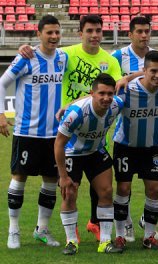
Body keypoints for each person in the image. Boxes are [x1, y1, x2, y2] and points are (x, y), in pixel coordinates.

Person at [19, 15, 122, 242]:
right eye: (90, 31)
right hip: (69, 134)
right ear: (80, 33)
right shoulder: (67, 55)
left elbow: (114, 89)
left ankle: (95, 224)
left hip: (95, 135)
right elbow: (45, 52)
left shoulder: (111, 61)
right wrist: (26, 48)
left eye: (98, 30)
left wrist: (75, 102)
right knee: (69, 187)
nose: (94, 35)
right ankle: (71, 232)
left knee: (101, 188)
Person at [0, 15, 67, 249]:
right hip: (27, 132)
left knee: (51, 181)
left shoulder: (63, 57)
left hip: (54, 134)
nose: (54, 37)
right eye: (49, 32)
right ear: (38, 34)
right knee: (19, 178)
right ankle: (14, 230)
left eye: (57, 32)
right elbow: (2, 83)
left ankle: (42, 229)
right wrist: (0, 114)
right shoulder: (26, 58)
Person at [55, 74, 124, 255]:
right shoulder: (76, 113)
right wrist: (63, 176)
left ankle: (105, 242)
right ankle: (71, 241)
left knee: (107, 191)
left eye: (110, 93)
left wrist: (133, 75)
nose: (106, 98)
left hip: (95, 151)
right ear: (92, 93)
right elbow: (59, 143)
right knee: (69, 193)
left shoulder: (117, 105)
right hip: (72, 153)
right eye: (101, 93)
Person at [113, 50, 158, 250]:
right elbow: (101, 100)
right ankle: (120, 235)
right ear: (144, 71)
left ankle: (149, 236)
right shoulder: (127, 90)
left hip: (152, 148)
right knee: (123, 188)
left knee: (154, 190)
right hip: (125, 146)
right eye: (153, 71)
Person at [111, 16, 156, 243]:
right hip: (125, 130)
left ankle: (149, 230)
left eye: (147, 31)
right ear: (130, 34)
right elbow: (107, 85)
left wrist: (131, 76)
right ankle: (125, 224)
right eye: (139, 31)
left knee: (153, 187)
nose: (144, 35)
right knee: (124, 186)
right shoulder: (118, 56)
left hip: (152, 131)